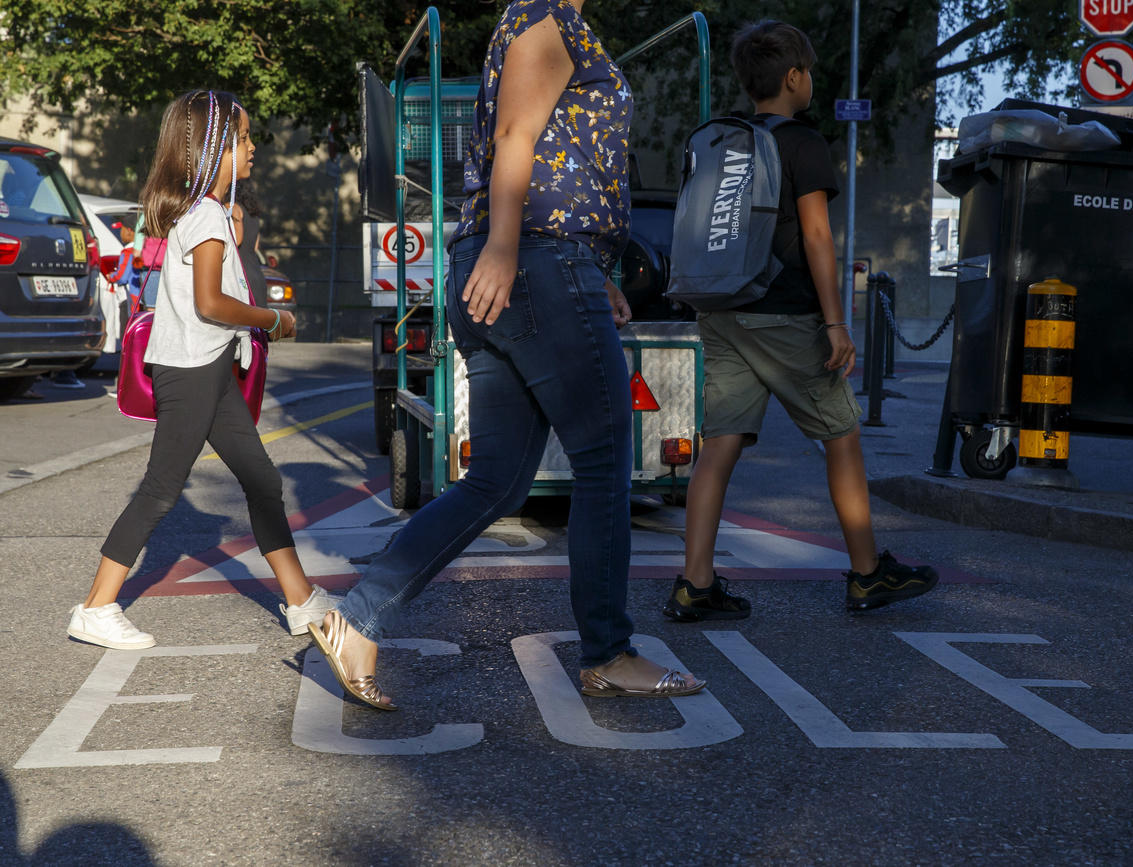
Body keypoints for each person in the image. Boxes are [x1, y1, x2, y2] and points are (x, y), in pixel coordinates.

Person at [309, 0, 705, 710]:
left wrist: (592, 273)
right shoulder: (543, 19)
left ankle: (358, 618)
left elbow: (559, 152)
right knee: (606, 452)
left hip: (541, 263)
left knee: (495, 480)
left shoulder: (539, 23)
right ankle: (609, 652)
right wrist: (506, 249)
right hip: (534, 261)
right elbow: (519, 136)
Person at [664, 20, 938, 622]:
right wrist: (836, 323)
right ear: (793, 77)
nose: (811, 81)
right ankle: (868, 573)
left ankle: (694, 584)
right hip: (784, 313)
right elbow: (816, 235)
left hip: (722, 309)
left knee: (720, 445)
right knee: (840, 435)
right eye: (808, 72)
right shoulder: (803, 141)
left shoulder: (719, 138)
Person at [66, 90, 336, 650]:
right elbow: (212, 304)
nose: (253, 147)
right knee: (163, 488)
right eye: (242, 139)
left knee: (262, 479)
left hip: (208, 367)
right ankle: (96, 607)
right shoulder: (207, 215)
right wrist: (273, 319)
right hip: (192, 370)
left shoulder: (203, 212)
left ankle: (301, 600)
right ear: (215, 150)